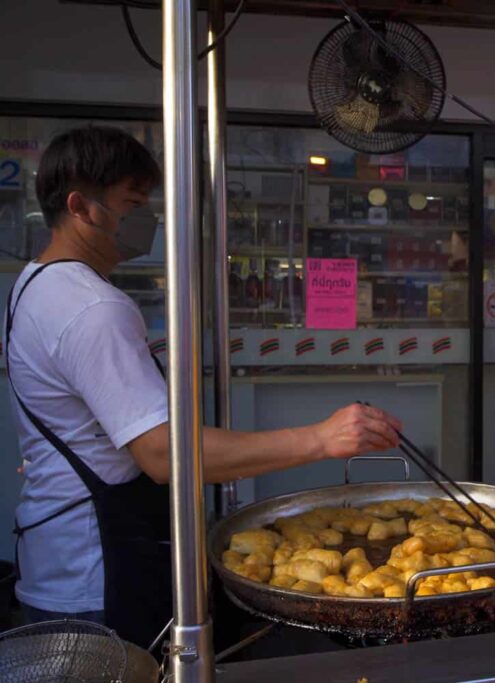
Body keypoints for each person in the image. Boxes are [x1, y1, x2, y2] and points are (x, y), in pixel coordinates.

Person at [6, 126, 402, 646]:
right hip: (98, 582)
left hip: (58, 565)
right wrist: (320, 439)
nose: (145, 218)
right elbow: (163, 454)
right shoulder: (91, 306)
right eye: (131, 202)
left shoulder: (33, 284)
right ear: (81, 206)